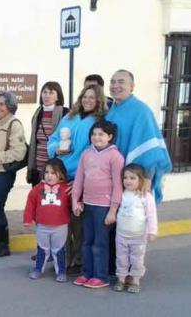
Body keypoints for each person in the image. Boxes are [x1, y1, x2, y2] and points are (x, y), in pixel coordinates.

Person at [48, 84, 107, 275]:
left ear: (98, 101)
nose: (87, 100)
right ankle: (62, 258)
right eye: (84, 96)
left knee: (78, 221)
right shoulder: (69, 117)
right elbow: (53, 139)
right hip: (60, 174)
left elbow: (97, 152)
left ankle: (78, 259)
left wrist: (82, 180)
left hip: (80, 177)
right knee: (60, 219)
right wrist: (56, 148)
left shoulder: (99, 122)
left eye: (92, 97)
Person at [106, 69, 172, 204]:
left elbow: (151, 149)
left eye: (121, 82)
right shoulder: (111, 110)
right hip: (113, 176)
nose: (115, 86)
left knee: (133, 220)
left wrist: (147, 177)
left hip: (135, 179)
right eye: (112, 82)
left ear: (132, 87)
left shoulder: (142, 111)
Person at [72, 120, 124, 289]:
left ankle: (101, 276)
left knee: (100, 242)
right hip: (87, 204)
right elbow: (79, 179)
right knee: (87, 241)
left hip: (104, 207)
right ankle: (87, 273)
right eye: (94, 134)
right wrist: (75, 201)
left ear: (110, 136)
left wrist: (113, 210)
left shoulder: (115, 156)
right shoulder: (86, 154)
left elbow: (118, 185)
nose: (97, 137)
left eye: (101, 134)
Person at [0, 92, 27, 257]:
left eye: (2, 104)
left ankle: (3, 245)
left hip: (1, 174)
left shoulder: (14, 124)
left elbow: (19, 152)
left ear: (10, 106)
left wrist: (0, 157)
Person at [23, 158, 71, 282]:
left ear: (61, 175)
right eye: (47, 172)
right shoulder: (37, 189)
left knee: (59, 250)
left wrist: (78, 206)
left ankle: (61, 271)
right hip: (42, 226)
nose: (49, 176)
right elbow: (30, 204)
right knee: (42, 249)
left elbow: (73, 202)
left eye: (54, 173)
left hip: (60, 226)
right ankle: (38, 269)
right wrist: (28, 219)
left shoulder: (66, 189)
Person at [114, 163, 158, 294]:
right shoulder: (121, 194)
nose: (128, 181)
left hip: (138, 236)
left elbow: (151, 214)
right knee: (121, 258)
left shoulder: (146, 196)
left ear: (141, 180)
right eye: (125, 177)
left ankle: (135, 279)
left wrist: (152, 231)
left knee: (137, 259)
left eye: (132, 178)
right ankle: (121, 278)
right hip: (121, 234)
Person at [27, 82, 68, 185]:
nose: (47, 95)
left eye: (51, 92)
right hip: (38, 167)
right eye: (44, 92)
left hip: (56, 167)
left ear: (58, 96)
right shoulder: (38, 113)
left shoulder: (65, 113)